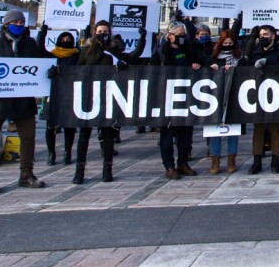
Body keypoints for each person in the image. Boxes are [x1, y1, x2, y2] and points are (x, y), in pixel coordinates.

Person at [0, 10, 47, 194]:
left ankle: (26, 175)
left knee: (28, 137)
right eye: (15, 21)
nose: (19, 24)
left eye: (22, 22)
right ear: (6, 24)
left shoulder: (29, 43)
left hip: (22, 97)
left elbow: (38, 65)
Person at [75, 20, 144, 183]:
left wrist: (142, 39)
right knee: (84, 135)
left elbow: (132, 57)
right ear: (95, 32)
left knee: (107, 135)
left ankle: (107, 169)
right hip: (89, 96)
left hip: (107, 96)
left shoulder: (113, 51)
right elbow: (77, 70)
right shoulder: (87, 51)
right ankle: (79, 171)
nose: (102, 34)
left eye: (105, 31)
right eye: (100, 31)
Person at [150, 20, 207, 180]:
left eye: (184, 35)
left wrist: (197, 66)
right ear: (170, 36)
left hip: (186, 97)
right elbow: (152, 73)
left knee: (186, 135)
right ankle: (169, 166)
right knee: (167, 136)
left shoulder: (188, 50)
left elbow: (203, 62)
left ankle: (183, 162)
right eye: (179, 35)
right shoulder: (161, 53)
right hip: (166, 99)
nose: (182, 38)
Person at [241, 24, 279, 174]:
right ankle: (257, 160)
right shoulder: (255, 52)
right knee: (259, 128)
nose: (263, 37)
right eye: (261, 35)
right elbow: (245, 63)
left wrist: (267, 63)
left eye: (265, 35)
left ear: (273, 36)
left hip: (275, 93)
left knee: (276, 128)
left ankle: (275, 161)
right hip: (258, 93)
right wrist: (251, 40)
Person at [43, 30, 81, 164]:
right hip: (53, 94)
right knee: (50, 126)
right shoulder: (52, 55)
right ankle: (51, 153)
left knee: (69, 126)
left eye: (68, 39)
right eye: (63, 39)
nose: (66, 41)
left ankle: (67, 152)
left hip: (70, 94)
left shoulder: (77, 55)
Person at [207, 30, 242, 173]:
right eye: (225, 43)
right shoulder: (213, 57)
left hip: (234, 95)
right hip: (216, 96)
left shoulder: (238, 57)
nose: (227, 45)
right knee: (215, 127)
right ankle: (215, 159)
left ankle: (231, 159)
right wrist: (213, 68)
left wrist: (234, 69)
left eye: (230, 43)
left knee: (232, 128)